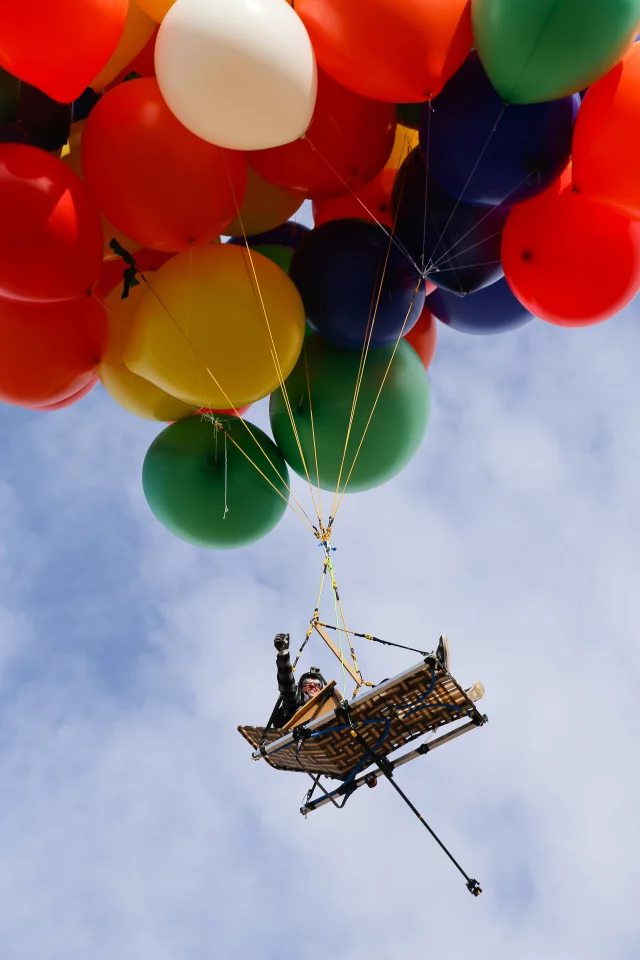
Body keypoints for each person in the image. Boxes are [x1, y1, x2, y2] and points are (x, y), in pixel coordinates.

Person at [272, 633, 328, 727]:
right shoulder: (299, 698)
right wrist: (283, 654)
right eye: (307, 683)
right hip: (297, 734)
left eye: (317, 683)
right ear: (301, 688)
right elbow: (287, 684)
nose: (312, 685)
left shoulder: (328, 705)